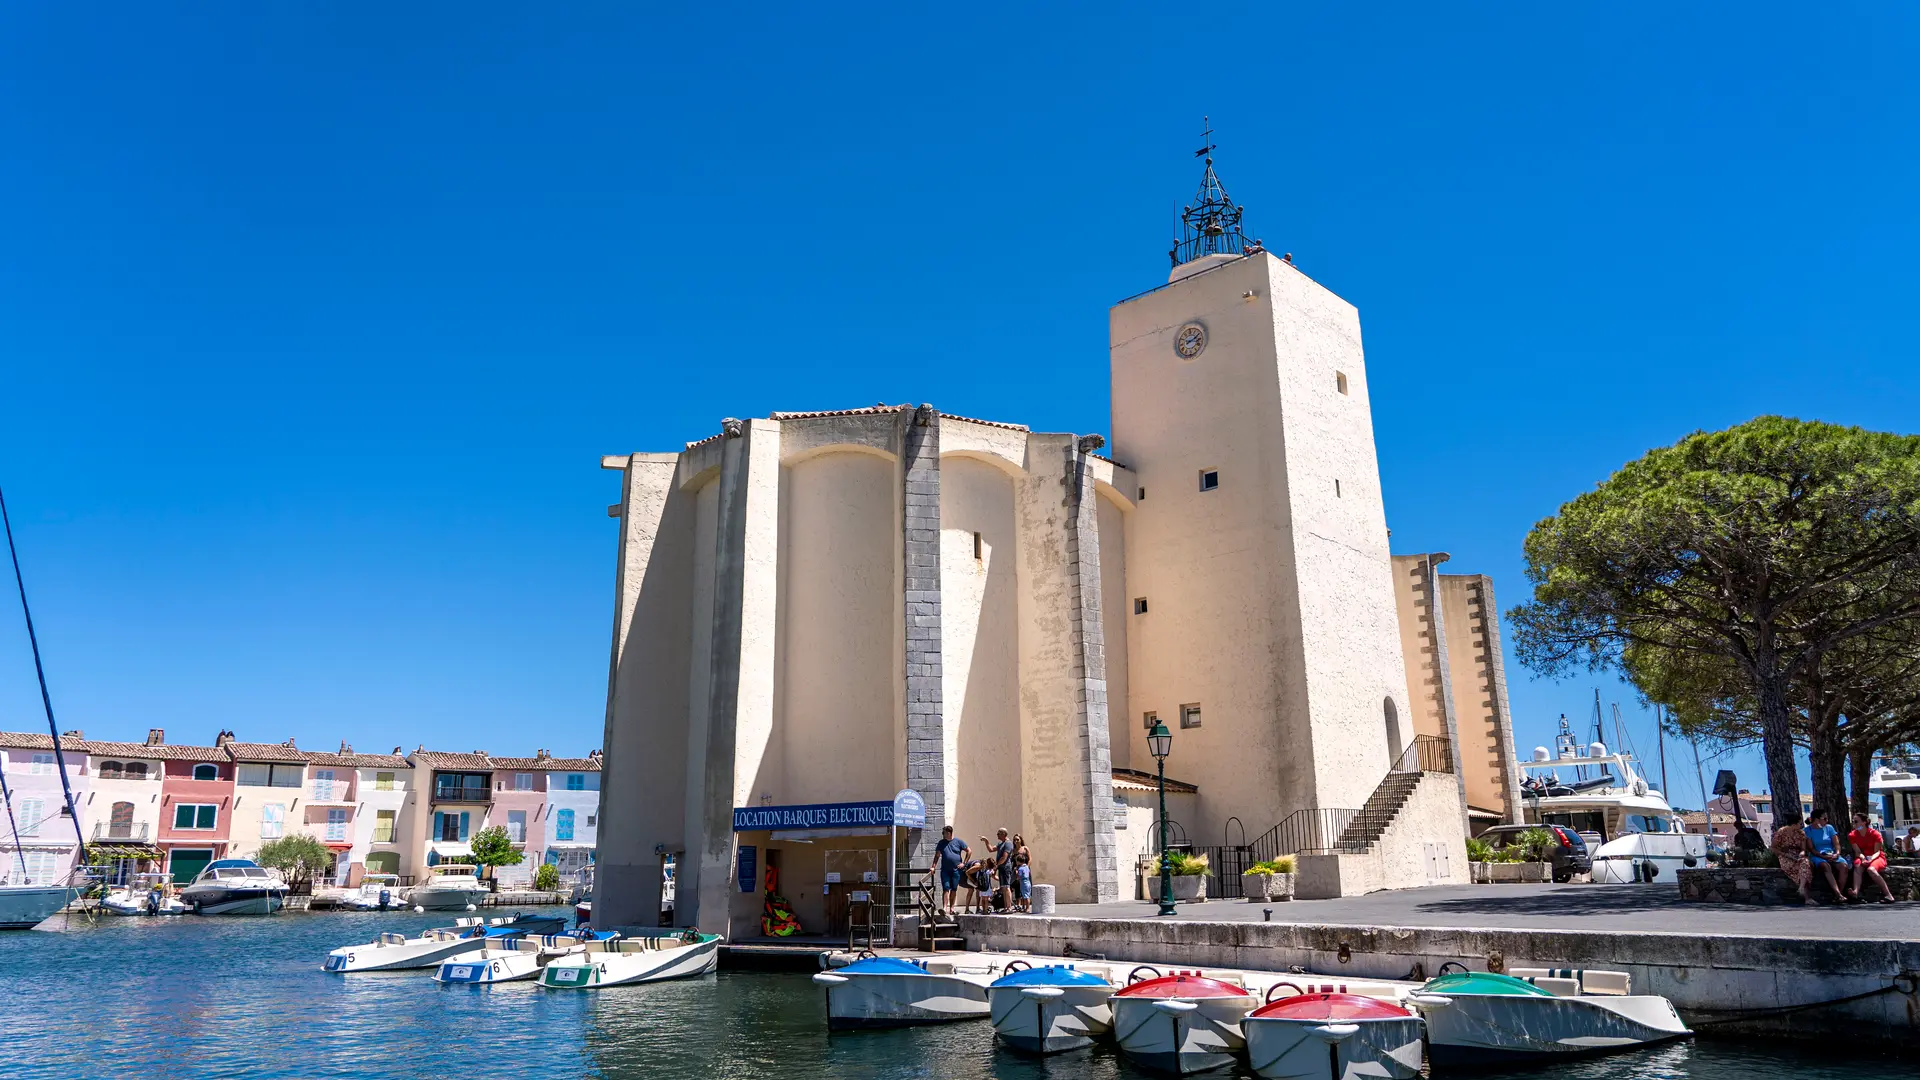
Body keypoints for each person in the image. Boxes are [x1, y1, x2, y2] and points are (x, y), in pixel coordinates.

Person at [1847, 813, 1896, 903]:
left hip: (1876, 857)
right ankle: (1855, 893)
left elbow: (1877, 851)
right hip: (1862, 856)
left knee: (1871, 870)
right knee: (1858, 866)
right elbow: (1858, 852)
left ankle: (1888, 895)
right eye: (1853, 821)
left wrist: (1870, 859)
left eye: (1856, 821)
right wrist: (1863, 859)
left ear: (1864, 822)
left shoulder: (1875, 834)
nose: (1854, 823)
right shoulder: (1852, 835)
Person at [1771, 813, 1817, 906]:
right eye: (1800, 823)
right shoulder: (1781, 832)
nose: (1801, 825)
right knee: (1804, 868)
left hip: (1797, 855)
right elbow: (1774, 848)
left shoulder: (1801, 833)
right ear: (1794, 824)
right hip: (1785, 856)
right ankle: (1807, 897)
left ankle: (1801, 888)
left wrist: (1801, 854)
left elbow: (1803, 849)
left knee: (1805, 863)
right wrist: (1786, 855)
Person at [1804, 808, 1850, 899]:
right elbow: (1811, 849)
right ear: (1817, 820)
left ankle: (1839, 893)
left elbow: (1836, 844)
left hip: (1831, 854)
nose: (1827, 820)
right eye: (1824, 818)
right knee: (1825, 866)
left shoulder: (1829, 828)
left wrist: (1837, 853)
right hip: (1818, 855)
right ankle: (1838, 894)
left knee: (1843, 867)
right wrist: (1822, 856)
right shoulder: (1808, 830)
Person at [927, 826, 970, 916]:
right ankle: (944, 908)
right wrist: (933, 867)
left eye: (943, 833)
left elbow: (969, 851)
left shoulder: (958, 842)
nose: (942, 834)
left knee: (954, 889)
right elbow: (937, 856)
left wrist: (964, 863)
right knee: (946, 888)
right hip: (945, 870)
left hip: (956, 870)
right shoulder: (941, 843)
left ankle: (952, 909)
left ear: (949, 833)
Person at [982, 828, 1016, 913]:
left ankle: (1009, 907)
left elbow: (1004, 857)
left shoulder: (1008, 844)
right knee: (1003, 887)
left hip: (1005, 868)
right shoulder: (1000, 843)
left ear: (1003, 834)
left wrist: (995, 866)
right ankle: (1006, 907)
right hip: (1001, 868)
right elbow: (991, 849)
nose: (997, 835)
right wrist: (986, 841)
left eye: (999, 833)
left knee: (1007, 887)